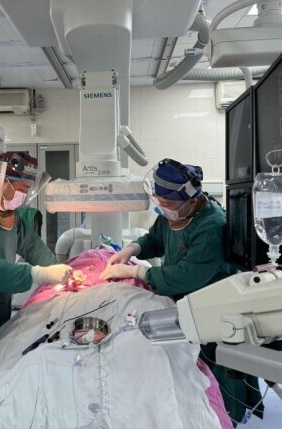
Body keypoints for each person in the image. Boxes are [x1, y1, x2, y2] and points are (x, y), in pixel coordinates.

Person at [100, 158, 262, 425]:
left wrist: (138, 273)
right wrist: (132, 249)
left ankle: (226, 420)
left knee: (218, 378)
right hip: (188, 305)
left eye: (169, 203)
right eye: (160, 202)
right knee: (192, 375)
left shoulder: (212, 226)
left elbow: (187, 276)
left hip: (215, 308)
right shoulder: (175, 213)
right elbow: (155, 239)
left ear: (192, 200)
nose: (164, 208)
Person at [0, 152, 71, 367]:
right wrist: (42, 274)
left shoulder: (12, 217)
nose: (23, 196)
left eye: (27, 190)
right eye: (21, 188)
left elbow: (35, 248)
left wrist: (61, 270)